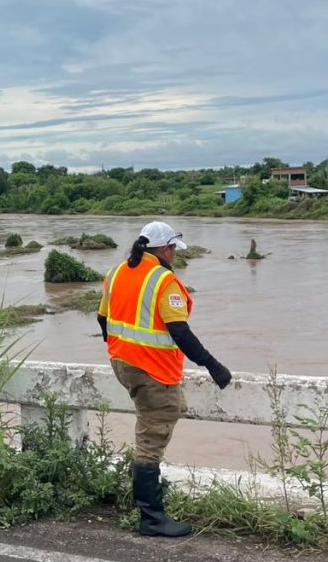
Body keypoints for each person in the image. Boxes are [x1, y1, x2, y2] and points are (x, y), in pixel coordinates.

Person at [97, 221, 232, 539]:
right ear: (164, 249)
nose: (175, 255)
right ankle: (151, 517)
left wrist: (120, 350)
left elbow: (103, 318)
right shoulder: (163, 280)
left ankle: (149, 511)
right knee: (151, 440)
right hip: (151, 370)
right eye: (173, 249)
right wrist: (213, 366)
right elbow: (180, 331)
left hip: (123, 364)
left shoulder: (116, 273)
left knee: (166, 411)